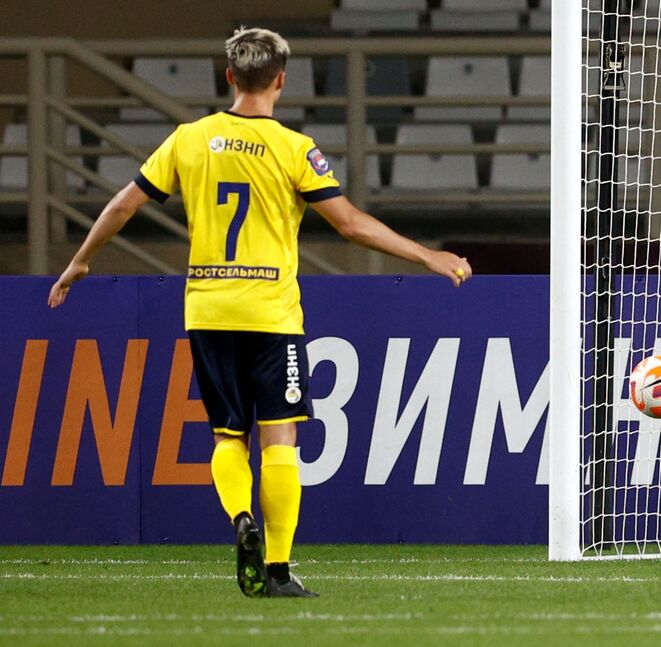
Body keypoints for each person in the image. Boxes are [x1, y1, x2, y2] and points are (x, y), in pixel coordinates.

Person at [48, 27, 472, 597]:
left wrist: (78, 261)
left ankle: (239, 520)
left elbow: (124, 204)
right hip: (271, 315)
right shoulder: (296, 149)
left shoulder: (188, 139)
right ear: (280, 80)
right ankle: (276, 569)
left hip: (208, 311)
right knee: (280, 441)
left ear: (228, 77)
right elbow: (348, 223)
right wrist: (426, 253)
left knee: (228, 439)